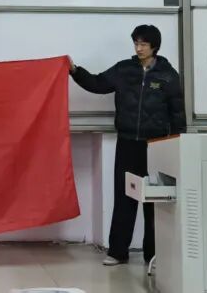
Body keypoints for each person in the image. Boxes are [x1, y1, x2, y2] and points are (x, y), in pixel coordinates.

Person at [69, 24, 185, 270]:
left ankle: (153, 255)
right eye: (136, 43)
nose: (138, 48)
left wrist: (177, 145)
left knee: (154, 202)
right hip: (127, 143)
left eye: (143, 44)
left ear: (154, 46)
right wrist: (75, 71)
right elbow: (97, 83)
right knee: (124, 198)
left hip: (156, 146)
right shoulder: (124, 69)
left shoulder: (168, 75)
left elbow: (178, 114)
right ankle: (118, 252)